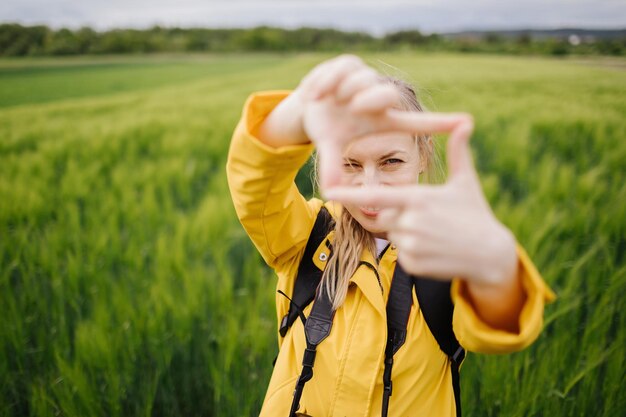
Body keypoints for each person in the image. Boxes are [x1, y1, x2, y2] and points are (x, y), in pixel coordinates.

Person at [226, 55, 555, 417]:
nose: (370, 190)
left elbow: (498, 329)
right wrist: (298, 111)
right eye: (350, 164)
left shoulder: (446, 257)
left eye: (391, 162)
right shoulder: (308, 237)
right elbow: (256, 187)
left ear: (424, 154)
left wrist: (495, 268)